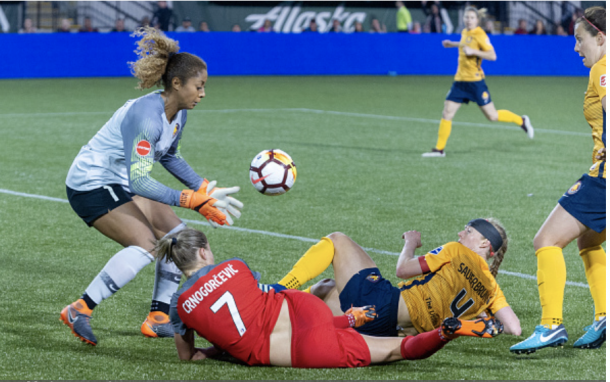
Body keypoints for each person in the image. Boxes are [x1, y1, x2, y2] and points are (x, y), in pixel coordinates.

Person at [60, 27, 243, 346]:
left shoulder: (178, 115)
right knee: (146, 246)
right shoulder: (147, 116)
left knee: (181, 240)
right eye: (199, 87)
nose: (202, 94)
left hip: (119, 180)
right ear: (176, 83)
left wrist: (204, 189)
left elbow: (170, 156)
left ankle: (158, 317)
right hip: (91, 182)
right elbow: (139, 181)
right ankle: (80, 309)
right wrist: (192, 199)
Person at [160, 228, 503, 366]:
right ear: (205, 252)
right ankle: (439, 330)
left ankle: (447, 331)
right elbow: (271, 299)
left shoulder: (179, 306)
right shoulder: (235, 267)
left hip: (290, 350)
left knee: (395, 351)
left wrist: (215, 351)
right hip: (305, 313)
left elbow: (189, 356)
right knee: (324, 287)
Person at [510, 6, 606, 355]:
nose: (576, 48)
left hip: (604, 179)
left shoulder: (603, 68)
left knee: (546, 240)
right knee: (589, 244)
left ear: (600, 37)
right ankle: (603, 315)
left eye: (580, 40)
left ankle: (550, 325)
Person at [275, 218, 521, 339]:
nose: (460, 233)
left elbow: (402, 270)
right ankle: (279, 312)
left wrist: (411, 243)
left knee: (337, 239)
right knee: (325, 288)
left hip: (383, 303)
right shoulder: (491, 290)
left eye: (468, 231)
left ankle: (277, 289)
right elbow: (514, 328)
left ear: (484, 242)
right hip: (389, 331)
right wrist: (484, 318)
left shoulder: (456, 251)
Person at [422, 6, 534, 158]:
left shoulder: (480, 34)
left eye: (472, 18)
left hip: (475, 82)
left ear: (477, 20)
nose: (468, 20)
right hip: (460, 81)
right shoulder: (465, 32)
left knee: (492, 116)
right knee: (447, 112)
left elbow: (492, 55)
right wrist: (452, 44)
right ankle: (439, 150)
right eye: (467, 17)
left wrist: (474, 52)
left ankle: (521, 121)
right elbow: (465, 45)